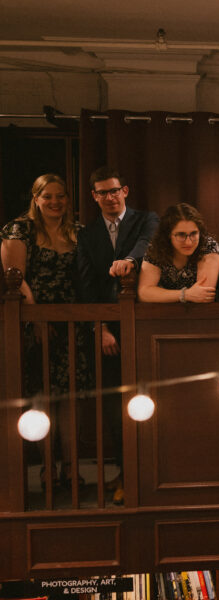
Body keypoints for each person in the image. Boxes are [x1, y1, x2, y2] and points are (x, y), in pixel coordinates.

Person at [1, 174, 92, 487]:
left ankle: (71, 467)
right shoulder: (20, 228)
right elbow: (15, 277)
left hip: (73, 325)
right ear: (35, 198)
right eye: (48, 197)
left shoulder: (78, 231)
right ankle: (47, 468)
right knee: (42, 396)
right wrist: (38, 320)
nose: (55, 202)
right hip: (34, 323)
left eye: (61, 196)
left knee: (71, 397)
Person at [77, 167, 159, 351]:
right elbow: (86, 283)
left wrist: (129, 260)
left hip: (144, 315)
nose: (109, 197)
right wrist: (100, 327)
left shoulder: (147, 219)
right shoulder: (85, 234)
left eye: (114, 191)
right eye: (102, 193)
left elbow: (147, 243)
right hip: (107, 322)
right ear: (94, 196)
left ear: (125, 191)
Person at [137, 203, 219, 303]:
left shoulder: (208, 245)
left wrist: (162, 295)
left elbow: (204, 294)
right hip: (164, 313)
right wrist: (185, 294)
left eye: (194, 234)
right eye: (181, 235)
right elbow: (144, 293)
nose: (188, 242)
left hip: (203, 314)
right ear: (168, 235)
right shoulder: (157, 247)